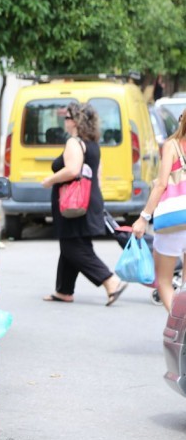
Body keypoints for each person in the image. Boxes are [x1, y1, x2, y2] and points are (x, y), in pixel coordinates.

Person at [41, 103, 127, 305]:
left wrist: (49, 180)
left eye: (67, 117)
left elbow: (72, 170)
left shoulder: (74, 142)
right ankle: (64, 291)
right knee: (73, 244)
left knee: (72, 247)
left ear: (76, 121)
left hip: (73, 203)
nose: (65, 120)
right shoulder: (93, 144)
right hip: (89, 199)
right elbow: (97, 175)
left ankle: (110, 281)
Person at [132, 112, 186, 312]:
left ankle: (180, 327)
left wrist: (143, 218)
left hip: (173, 220)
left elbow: (162, 184)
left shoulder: (172, 146)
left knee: (163, 280)